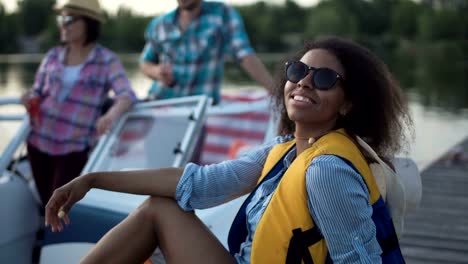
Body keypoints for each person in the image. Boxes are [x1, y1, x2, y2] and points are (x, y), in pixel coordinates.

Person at [45, 37, 413, 263]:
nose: (303, 82)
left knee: (158, 211)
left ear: (346, 104)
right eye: (298, 70)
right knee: (159, 206)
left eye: (324, 79)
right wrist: (92, 179)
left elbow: (359, 261)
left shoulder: (327, 169)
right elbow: (200, 185)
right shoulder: (285, 152)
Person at [21, 0, 137, 207]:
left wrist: (110, 115)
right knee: (46, 202)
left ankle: (57, 237)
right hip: (39, 140)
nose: (62, 24)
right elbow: (37, 91)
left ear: (89, 23)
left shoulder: (106, 59)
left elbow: (126, 94)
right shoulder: (53, 55)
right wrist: (28, 97)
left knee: (61, 205)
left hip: (74, 146)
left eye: (69, 19)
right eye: (61, 18)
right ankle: (51, 237)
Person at [139, 0, 274, 104]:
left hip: (200, 110)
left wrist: (276, 91)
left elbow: (244, 54)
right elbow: (145, 63)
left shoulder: (223, 14)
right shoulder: (160, 24)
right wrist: (157, 72)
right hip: (161, 104)